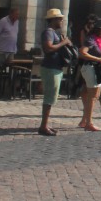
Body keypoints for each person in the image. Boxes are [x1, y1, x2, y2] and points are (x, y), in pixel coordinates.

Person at [38, 8, 71, 136]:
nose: (62, 21)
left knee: (52, 97)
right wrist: (63, 43)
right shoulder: (48, 32)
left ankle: (45, 124)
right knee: (49, 97)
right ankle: (43, 126)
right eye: (60, 19)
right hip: (50, 67)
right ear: (54, 20)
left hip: (55, 67)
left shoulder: (54, 33)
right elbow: (48, 48)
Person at [78, 18, 101, 132]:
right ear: (98, 29)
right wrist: (98, 59)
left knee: (89, 94)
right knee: (93, 96)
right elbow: (82, 52)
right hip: (90, 67)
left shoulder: (100, 39)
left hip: (97, 69)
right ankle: (89, 123)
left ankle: (84, 120)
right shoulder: (91, 39)